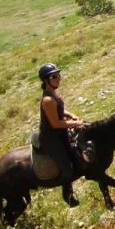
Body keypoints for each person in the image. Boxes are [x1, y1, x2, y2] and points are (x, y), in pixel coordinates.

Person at [37, 64, 87, 204]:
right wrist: (76, 124)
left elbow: (60, 111)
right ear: (46, 80)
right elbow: (56, 123)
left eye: (58, 75)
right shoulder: (47, 100)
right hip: (51, 139)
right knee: (66, 168)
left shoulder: (54, 93)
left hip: (61, 133)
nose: (58, 78)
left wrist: (71, 115)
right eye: (54, 76)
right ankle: (67, 195)